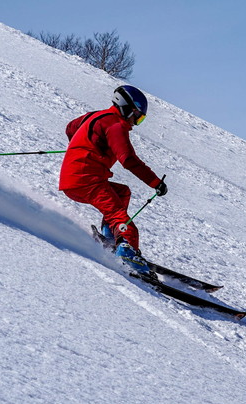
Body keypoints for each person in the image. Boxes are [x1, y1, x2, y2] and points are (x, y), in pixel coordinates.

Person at [59, 84, 167, 272]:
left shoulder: (96, 115)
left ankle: (109, 238)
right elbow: (129, 160)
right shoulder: (116, 125)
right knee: (123, 221)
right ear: (127, 108)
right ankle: (127, 252)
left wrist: (87, 144)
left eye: (140, 120)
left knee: (122, 192)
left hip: (74, 178)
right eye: (137, 117)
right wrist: (155, 183)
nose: (135, 123)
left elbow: (70, 128)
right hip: (87, 180)